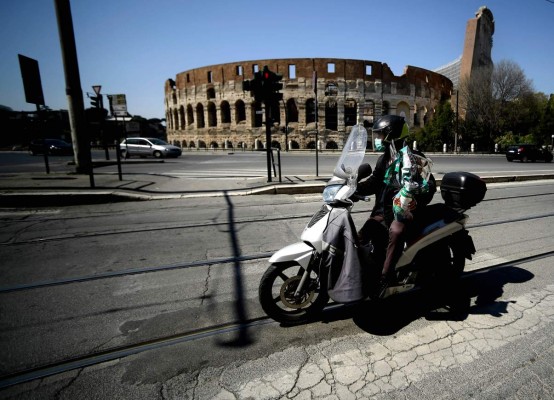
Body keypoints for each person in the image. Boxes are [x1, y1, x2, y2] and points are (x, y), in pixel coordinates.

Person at [356, 115, 436, 297]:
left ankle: (386, 277)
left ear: (391, 136)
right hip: (382, 212)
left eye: (380, 135)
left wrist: (413, 195)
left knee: (396, 232)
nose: (377, 139)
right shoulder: (384, 160)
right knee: (360, 237)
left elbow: (430, 185)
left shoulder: (414, 159)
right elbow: (375, 181)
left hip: (403, 214)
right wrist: (353, 189)